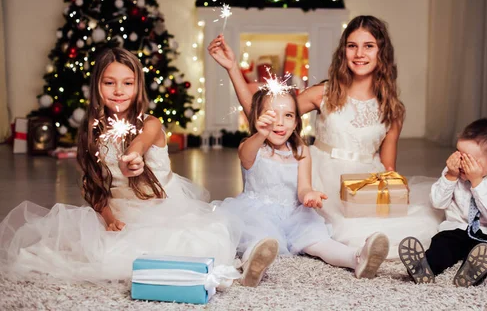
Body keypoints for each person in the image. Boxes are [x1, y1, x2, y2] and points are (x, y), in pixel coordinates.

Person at [208, 15, 443, 257]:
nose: (359, 53)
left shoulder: (393, 109)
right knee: (339, 230)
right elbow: (265, 116)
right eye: (352, 46)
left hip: (362, 182)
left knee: (404, 225)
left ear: (382, 52)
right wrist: (233, 69)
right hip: (322, 177)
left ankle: (365, 250)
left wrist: (386, 199)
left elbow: (389, 167)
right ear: (344, 52)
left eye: (369, 46)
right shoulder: (324, 93)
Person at [0, 48, 240, 281]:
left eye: (128, 83)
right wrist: (108, 218)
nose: (118, 91)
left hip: (160, 209)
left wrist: (133, 157)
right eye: (109, 82)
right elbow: (92, 186)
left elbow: (141, 142)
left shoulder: (151, 124)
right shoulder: (90, 132)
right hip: (118, 211)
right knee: (82, 255)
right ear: (97, 86)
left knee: (181, 249)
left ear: (138, 87)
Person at [217, 88, 390, 287]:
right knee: (259, 238)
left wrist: (309, 194)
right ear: (258, 118)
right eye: (272, 115)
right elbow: (245, 156)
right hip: (257, 212)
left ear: (297, 121)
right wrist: (260, 134)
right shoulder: (252, 147)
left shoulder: (300, 151)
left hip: (293, 214)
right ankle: (251, 267)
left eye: (288, 115)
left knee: (318, 240)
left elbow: (303, 187)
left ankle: (357, 258)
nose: (280, 122)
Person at [398, 118, 487, 287]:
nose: (460, 163)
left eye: (469, 160)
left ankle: (471, 272)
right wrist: (450, 177)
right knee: (442, 245)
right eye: (459, 154)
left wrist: (477, 182)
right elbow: (438, 202)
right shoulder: (453, 171)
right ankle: (424, 267)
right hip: (457, 227)